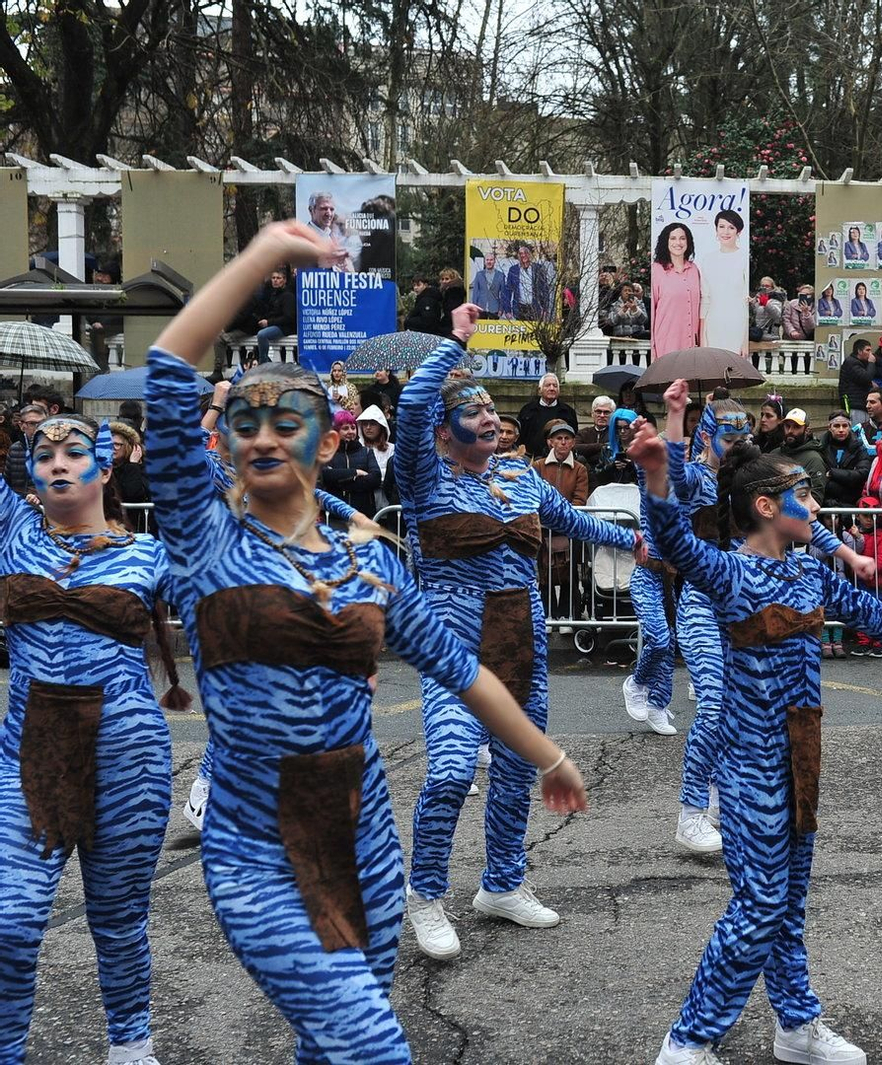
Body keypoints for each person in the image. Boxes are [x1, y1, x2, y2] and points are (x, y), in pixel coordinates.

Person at [142, 221, 589, 1060]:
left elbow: (460, 670)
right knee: (371, 1040)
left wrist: (549, 756)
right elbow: (168, 371)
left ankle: (483, 884)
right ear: (226, 441)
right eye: (247, 421)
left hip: (366, 830)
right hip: (256, 842)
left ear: (331, 437)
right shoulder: (205, 538)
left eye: (289, 420)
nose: (267, 435)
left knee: (335, 1033)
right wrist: (264, 258)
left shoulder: (370, 567)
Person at [636, 385, 882, 1065]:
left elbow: (862, 609)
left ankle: (797, 1026)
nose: (814, 508)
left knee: (788, 899)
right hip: (749, 762)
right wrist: (656, 478)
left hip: (802, 754)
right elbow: (673, 543)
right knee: (760, 901)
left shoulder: (808, 572)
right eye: (802, 498)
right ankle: (688, 1039)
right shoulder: (729, 573)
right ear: (765, 507)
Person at [393, 306, 638, 963]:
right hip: (455, 652)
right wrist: (453, 346)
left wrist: (633, 539)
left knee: (514, 771)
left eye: (490, 407)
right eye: (471, 409)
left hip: (522, 646)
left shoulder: (518, 475)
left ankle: (502, 882)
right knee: (449, 770)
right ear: (444, 433)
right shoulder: (425, 480)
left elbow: (577, 521)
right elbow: (413, 406)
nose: (488, 415)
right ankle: (424, 895)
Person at [0, 411, 189, 1065]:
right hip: (30, 751)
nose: (56, 460)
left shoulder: (149, 553)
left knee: (117, 915)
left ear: (106, 469)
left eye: (74, 451)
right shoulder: (13, 530)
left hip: (128, 754)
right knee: (10, 917)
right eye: (43, 452)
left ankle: (130, 1044)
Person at [658, 397, 874, 857]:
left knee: (748, 709)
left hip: (751, 598)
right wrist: (675, 418)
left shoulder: (756, 472)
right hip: (704, 598)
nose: (736, 442)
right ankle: (691, 813)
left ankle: (721, 799)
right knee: (714, 705)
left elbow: (801, 515)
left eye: (742, 434)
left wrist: (847, 555)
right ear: (708, 433)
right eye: (728, 435)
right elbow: (672, 478)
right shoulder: (696, 475)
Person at [532, 421, 588, 627]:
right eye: (559, 438)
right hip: (543, 528)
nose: (563, 443)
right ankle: (547, 615)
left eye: (567, 439)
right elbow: (533, 495)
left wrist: (563, 518)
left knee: (568, 572)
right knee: (544, 573)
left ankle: (566, 616)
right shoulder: (537, 466)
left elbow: (580, 499)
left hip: (568, 528)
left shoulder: (580, 469)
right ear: (550, 442)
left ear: (573, 443)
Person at [699, 209, 748, 353]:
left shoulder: (744, 258)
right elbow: (705, 298)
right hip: (713, 322)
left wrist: (745, 340)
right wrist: (703, 337)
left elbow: (746, 300)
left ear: (738, 232)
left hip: (736, 322)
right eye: (722, 227)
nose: (725, 232)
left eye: (731, 228)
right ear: (716, 229)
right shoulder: (707, 259)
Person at [318, 409, 382, 517]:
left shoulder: (366, 452)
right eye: (345, 428)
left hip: (362, 515)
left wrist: (341, 483)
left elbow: (375, 477)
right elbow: (325, 475)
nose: (351, 432)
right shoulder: (327, 453)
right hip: (334, 516)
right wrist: (356, 472)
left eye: (353, 428)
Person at [650, 224, 702, 357]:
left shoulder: (694, 270)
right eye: (673, 238)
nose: (678, 243)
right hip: (666, 344)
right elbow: (652, 311)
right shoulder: (656, 270)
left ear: (688, 241)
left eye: (682, 238)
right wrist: (652, 348)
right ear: (665, 241)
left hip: (691, 345)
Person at [517, 373, 579, 458]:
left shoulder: (568, 412)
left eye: (555, 386)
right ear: (540, 390)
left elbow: (573, 436)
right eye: (548, 385)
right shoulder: (527, 410)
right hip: (531, 459)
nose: (552, 388)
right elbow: (519, 436)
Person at [822, 410, 870, 507]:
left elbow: (862, 474)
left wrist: (833, 473)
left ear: (849, 427)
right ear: (829, 427)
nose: (841, 430)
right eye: (836, 426)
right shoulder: (820, 447)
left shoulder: (859, 448)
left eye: (845, 426)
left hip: (850, 503)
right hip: (825, 503)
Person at [502, 242, 556, 323]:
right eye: (521, 253)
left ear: (530, 254)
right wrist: (507, 310)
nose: (523, 255)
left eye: (525, 253)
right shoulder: (513, 270)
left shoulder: (538, 269)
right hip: (519, 308)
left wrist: (545, 309)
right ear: (518, 256)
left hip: (535, 308)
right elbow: (508, 290)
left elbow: (544, 290)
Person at [5, 404, 45, 497]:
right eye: (32, 423)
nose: (38, 427)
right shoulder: (15, 449)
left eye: (42, 423)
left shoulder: (53, 449)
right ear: (22, 426)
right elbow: (8, 482)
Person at [776, 409, 826, 482]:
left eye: (796, 427)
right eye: (787, 426)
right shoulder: (774, 454)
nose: (790, 431)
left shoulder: (813, 460)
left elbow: (816, 492)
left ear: (807, 431)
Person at [837, 339, 876, 424]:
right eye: (867, 350)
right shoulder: (851, 362)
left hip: (861, 404)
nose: (870, 353)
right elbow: (865, 378)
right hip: (855, 405)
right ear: (859, 351)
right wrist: (871, 363)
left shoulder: (860, 363)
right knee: (858, 432)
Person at [576, 395, 615, 467]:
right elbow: (575, 448)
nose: (602, 415)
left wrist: (588, 452)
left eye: (606, 412)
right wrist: (601, 446)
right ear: (592, 414)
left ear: (612, 415)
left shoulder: (615, 434)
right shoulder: (583, 433)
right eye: (598, 412)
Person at [469, 247, 505, 317]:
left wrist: (501, 309)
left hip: (495, 308)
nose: (489, 262)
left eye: (491, 260)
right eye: (487, 260)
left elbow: (503, 294)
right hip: (480, 308)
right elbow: (475, 292)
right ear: (484, 261)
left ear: (494, 261)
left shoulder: (500, 275)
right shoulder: (479, 274)